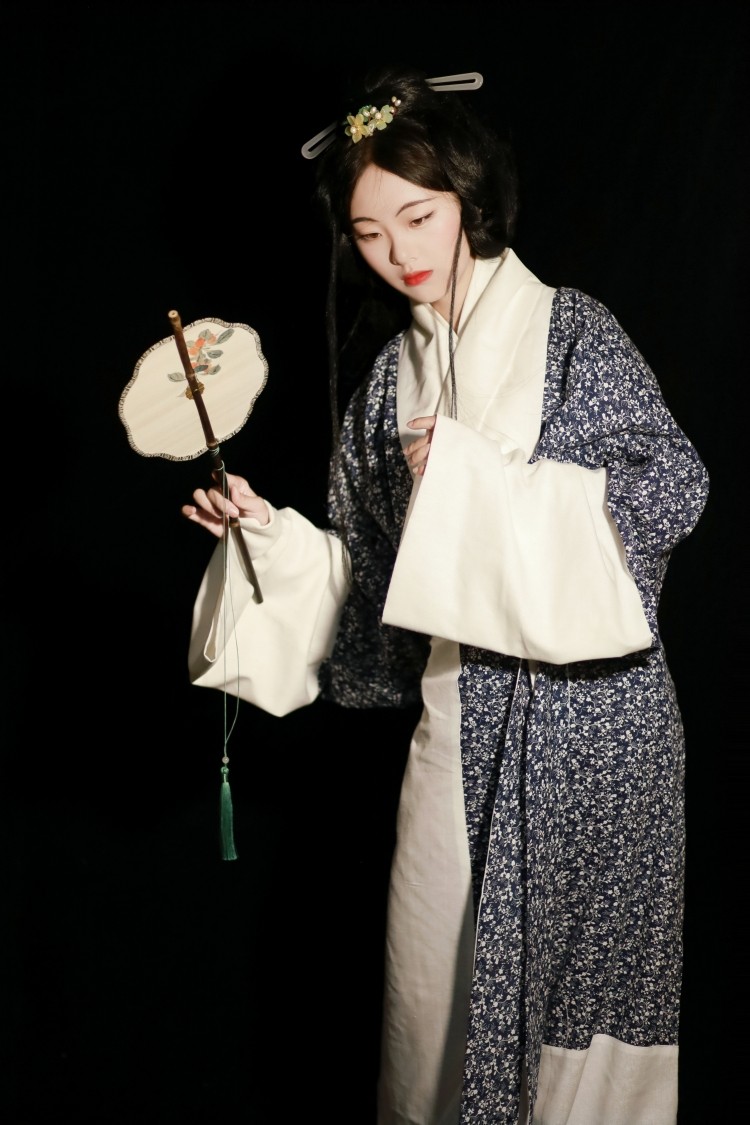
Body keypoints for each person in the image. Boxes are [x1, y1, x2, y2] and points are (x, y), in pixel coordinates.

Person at [181, 66, 709, 1125]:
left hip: (595, 735)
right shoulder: (390, 381)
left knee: (583, 1031)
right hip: (456, 721)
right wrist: (269, 536)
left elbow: (668, 490)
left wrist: (478, 483)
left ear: (466, 194)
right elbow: (372, 587)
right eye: (370, 234)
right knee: (433, 1011)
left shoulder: (572, 332)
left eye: (418, 217)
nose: (400, 252)